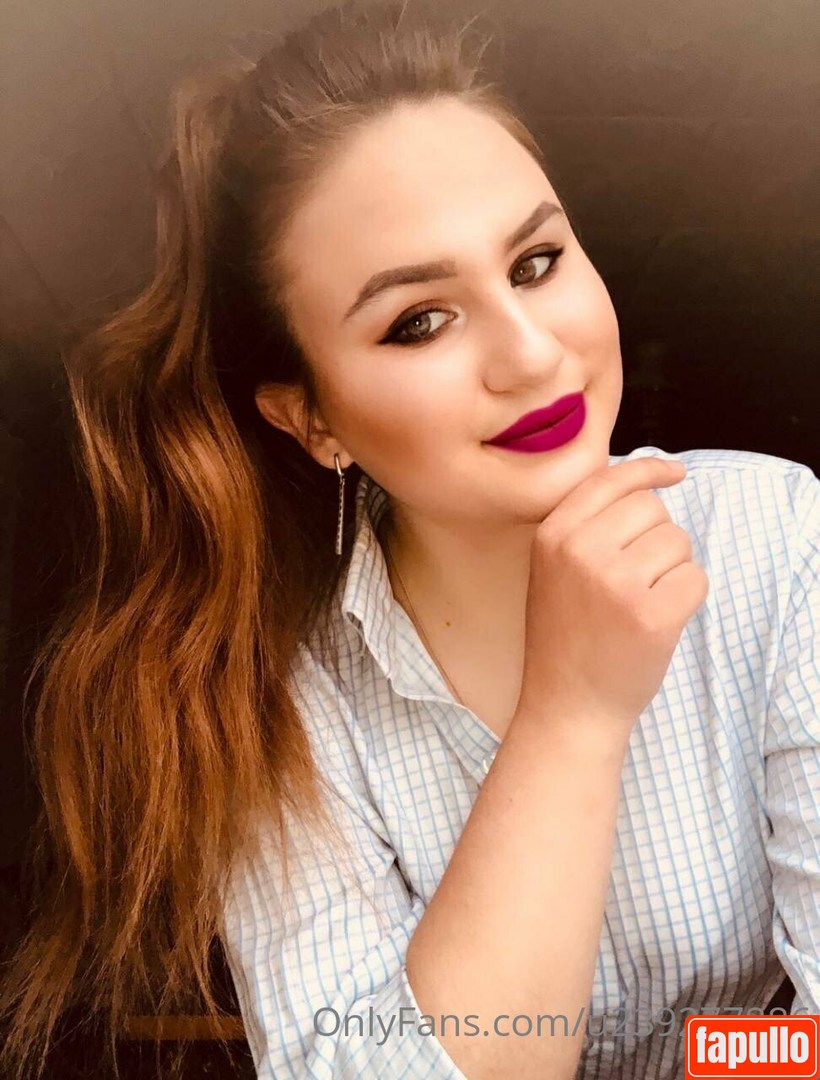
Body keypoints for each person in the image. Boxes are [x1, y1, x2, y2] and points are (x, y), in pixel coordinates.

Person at [1, 1, 817, 1078]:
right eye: (419, 321)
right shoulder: (277, 699)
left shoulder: (774, 538)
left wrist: (722, 1061)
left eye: (535, 262)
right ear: (313, 419)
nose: (531, 355)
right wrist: (572, 716)